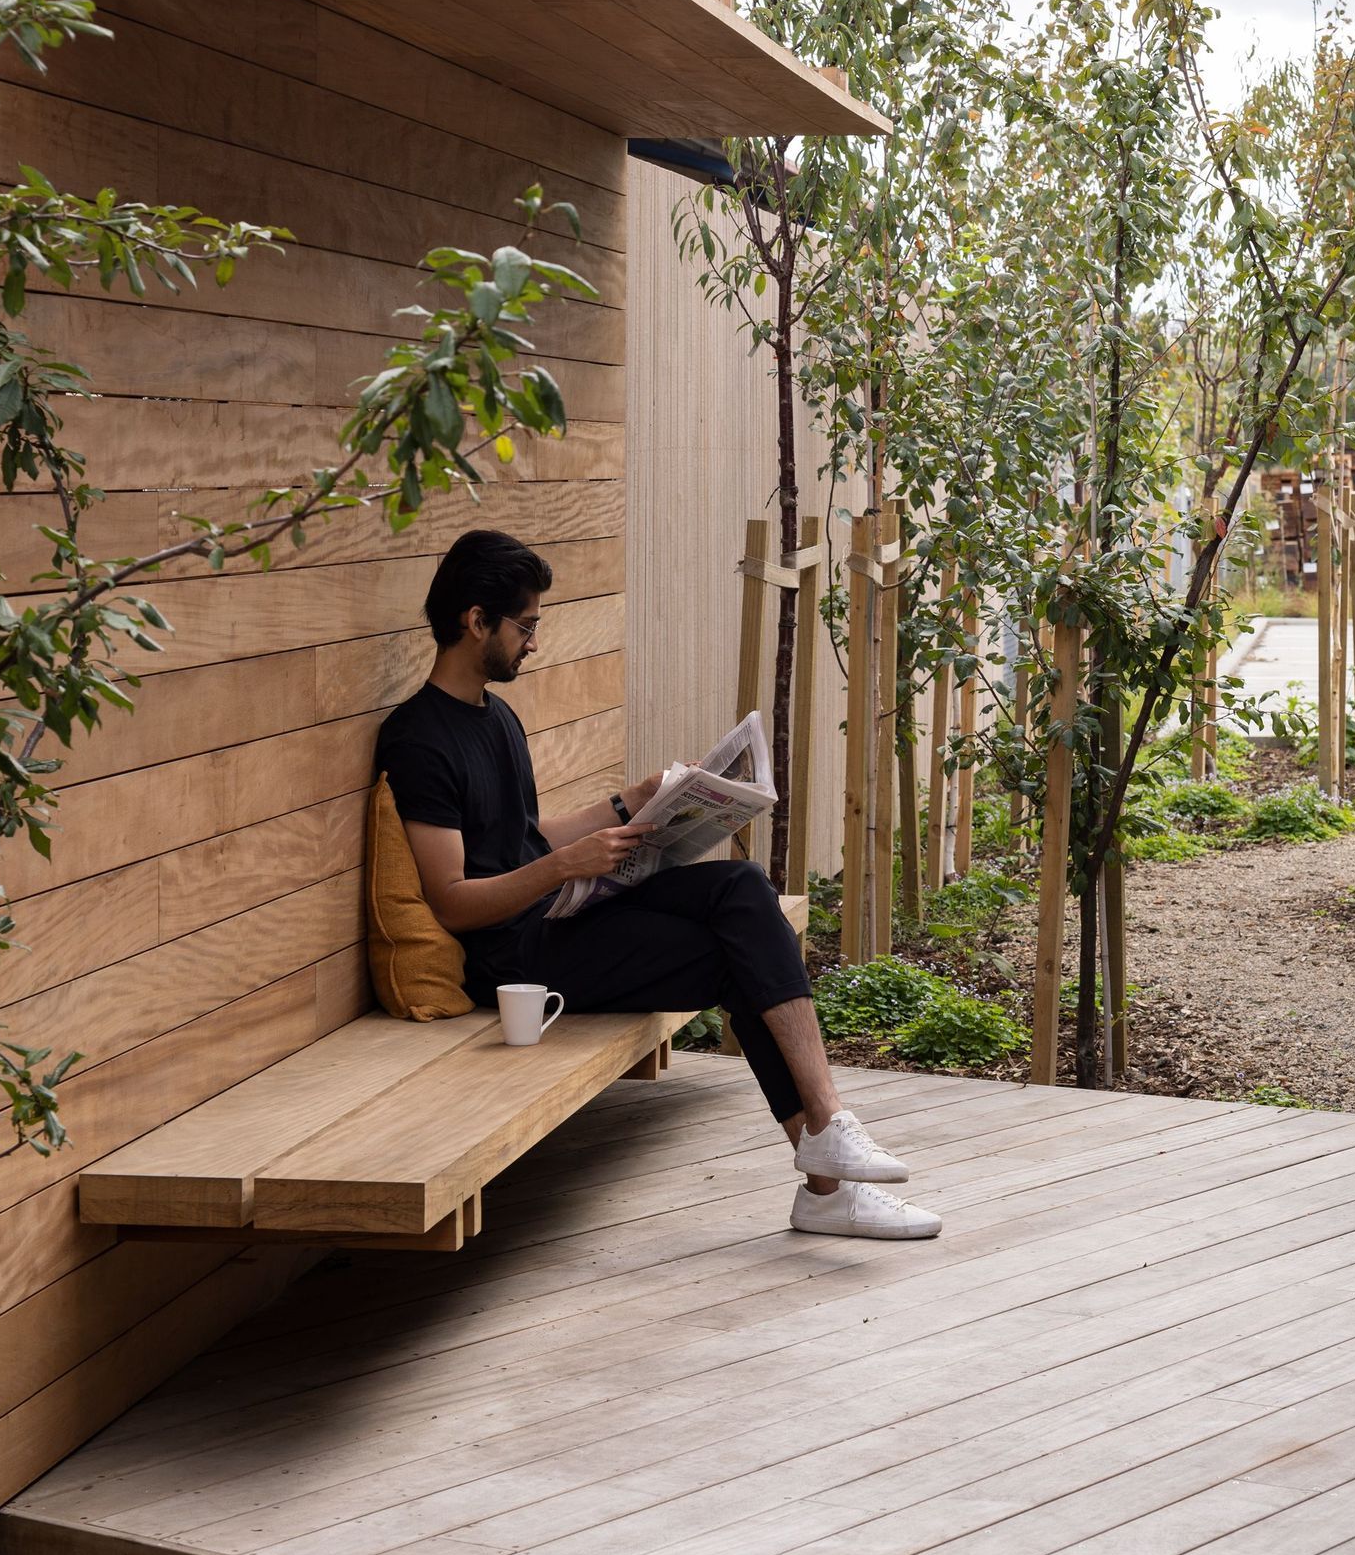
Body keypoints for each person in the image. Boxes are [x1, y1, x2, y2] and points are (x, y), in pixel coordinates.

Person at [377, 529, 942, 1240]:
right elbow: (453, 901)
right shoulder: (419, 740)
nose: (534, 643)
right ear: (476, 621)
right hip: (519, 959)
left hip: (559, 911)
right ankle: (828, 1175)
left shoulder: (496, 719)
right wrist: (564, 867)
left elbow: (518, 835)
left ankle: (828, 1138)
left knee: (742, 890)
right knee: (737, 958)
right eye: (526, 626)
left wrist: (629, 804)